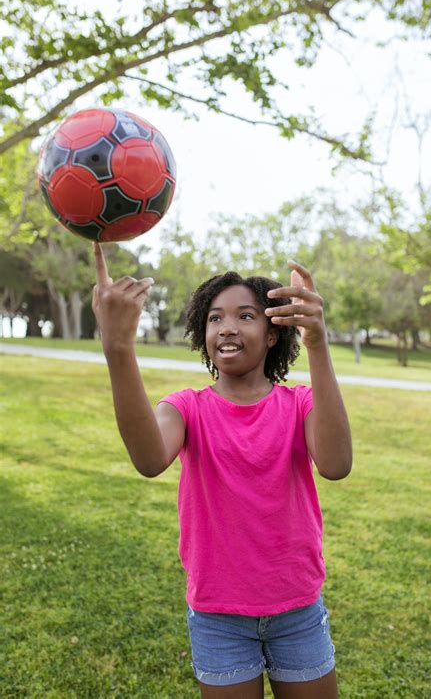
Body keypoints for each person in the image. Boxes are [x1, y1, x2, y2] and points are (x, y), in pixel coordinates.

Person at [92, 242, 352, 699]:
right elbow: (150, 459)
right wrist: (118, 347)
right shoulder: (187, 407)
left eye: (246, 316)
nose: (227, 327)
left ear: (274, 333)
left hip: (297, 609)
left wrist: (318, 343)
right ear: (202, 330)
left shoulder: (300, 404)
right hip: (218, 617)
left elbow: (336, 464)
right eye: (215, 317)